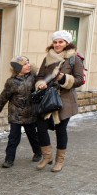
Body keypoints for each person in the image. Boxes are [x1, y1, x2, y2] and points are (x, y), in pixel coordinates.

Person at [35, 30, 85, 172]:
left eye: (61, 42)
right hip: (47, 98)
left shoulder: (74, 59)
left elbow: (80, 79)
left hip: (64, 100)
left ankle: (59, 160)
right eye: (55, 42)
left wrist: (64, 79)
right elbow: (39, 76)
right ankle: (47, 157)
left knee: (61, 130)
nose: (57, 44)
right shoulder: (48, 58)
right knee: (41, 126)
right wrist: (40, 83)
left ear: (67, 43)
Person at [0, 55, 42, 168]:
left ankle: (38, 152)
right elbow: (4, 96)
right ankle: (9, 159)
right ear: (18, 67)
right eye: (25, 64)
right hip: (15, 114)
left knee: (32, 136)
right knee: (13, 138)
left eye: (28, 62)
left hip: (30, 113)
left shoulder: (33, 77)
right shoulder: (11, 82)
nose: (29, 65)